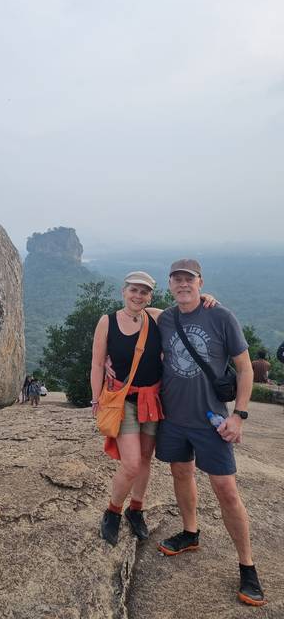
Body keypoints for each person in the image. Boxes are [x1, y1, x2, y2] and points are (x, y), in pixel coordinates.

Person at [155, 259, 265, 606]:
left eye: (189, 280)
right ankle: (190, 532)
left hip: (211, 420)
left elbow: (245, 369)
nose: (183, 285)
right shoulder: (166, 317)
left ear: (200, 282)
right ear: (170, 284)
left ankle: (247, 566)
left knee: (227, 491)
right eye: (177, 280)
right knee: (181, 472)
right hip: (173, 418)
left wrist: (239, 416)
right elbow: (134, 315)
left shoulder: (221, 317)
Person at [91, 271, 216, 545]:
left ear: (150, 296)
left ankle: (136, 509)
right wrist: (95, 399)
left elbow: (187, 309)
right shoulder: (108, 321)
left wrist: (203, 297)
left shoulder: (157, 317)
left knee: (145, 459)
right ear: (123, 291)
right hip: (123, 401)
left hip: (152, 399)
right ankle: (112, 511)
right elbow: (98, 364)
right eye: (134, 290)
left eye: (144, 292)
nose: (138, 296)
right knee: (132, 463)